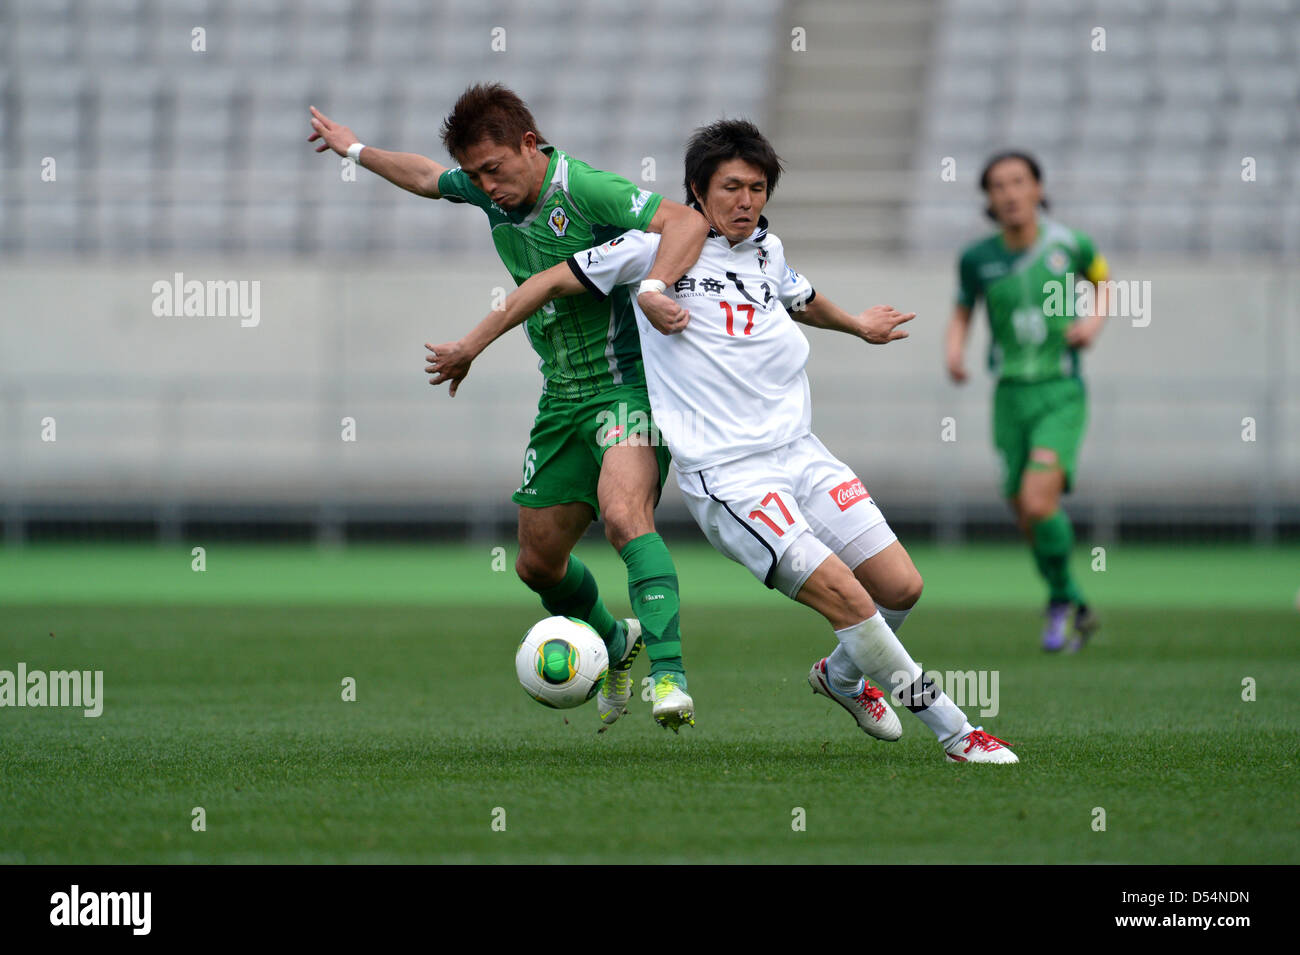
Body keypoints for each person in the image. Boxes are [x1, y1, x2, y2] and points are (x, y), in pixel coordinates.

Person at [429, 119, 1018, 762]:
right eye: (731, 187)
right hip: (729, 475)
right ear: (697, 192)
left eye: (758, 187)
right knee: (847, 597)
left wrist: (856, 325)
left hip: (801, 451)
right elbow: (545, 283)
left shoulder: (768, 249)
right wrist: (471, 345)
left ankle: (841, 678)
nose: (746, 201)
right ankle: (958, 732)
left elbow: (802, 297)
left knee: (902, 587)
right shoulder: (646, 254)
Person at [310, 83, 710, 728]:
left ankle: (670, 679)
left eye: (493, 170)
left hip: (625, 388)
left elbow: (686, 220)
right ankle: (615, 640)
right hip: (561, 399)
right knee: (536, 564)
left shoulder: (586, 189)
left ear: (530, 144)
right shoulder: (490, 191)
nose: (485, 186)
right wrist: (354, 149)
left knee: (623, 514)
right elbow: (424, 177)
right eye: (476, 175)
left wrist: (657, 287)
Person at [946, 151, 1108, 652]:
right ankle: (1071, 598)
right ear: (989, 198)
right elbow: (962, 311)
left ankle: (1063, 603)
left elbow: (1104, 283)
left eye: (1019, 182)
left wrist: (1093, 323)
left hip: (1059, 390)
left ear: (1038, 188)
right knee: (1024, 512)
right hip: (1009, 394)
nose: (1010, 193)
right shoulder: (978, 259)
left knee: (1040, 502)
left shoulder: (1071, 245)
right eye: (999, 185)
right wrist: (954, 352)